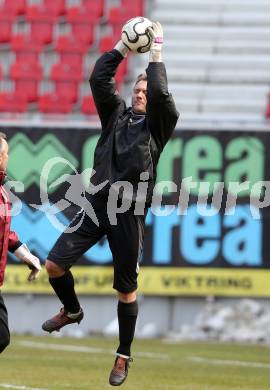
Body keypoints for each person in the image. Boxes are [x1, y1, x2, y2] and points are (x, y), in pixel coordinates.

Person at [42, 21, 179, 386]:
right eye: (137, 89)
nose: (140, 94)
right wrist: (122, 46)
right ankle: (72, 311)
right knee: (54, 265)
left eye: (145, 91)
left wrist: (155, 51)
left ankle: (123, 355)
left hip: (129, 211)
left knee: (126, 289)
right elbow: (99, 79)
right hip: (96, 202)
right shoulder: (115, 116)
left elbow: (163, 95)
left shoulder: (158, 126)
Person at [0, 132, 41, 354]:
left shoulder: (2, 193)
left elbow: (5, 233)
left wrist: (27, 256)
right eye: (6, 153)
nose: (8, 157)